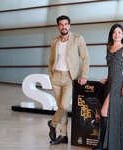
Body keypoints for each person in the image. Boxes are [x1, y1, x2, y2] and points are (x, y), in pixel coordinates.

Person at [48, 15, 90, 145]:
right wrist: (51, 74)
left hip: (69, 77)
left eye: (66, 24)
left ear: (69, 26)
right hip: (56, 77)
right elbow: (51, 60)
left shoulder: (78, 39)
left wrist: (84, 75)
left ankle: (52, 124)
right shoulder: (55, 41)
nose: (63, 27)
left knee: (64, 105)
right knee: (62, 108)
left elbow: (86, 58)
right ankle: (63, 135)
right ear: (58, 26)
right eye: (61, 24)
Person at [92, 23, 123, 150]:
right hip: (110, 83)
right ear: (111, 35)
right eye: (114, 32)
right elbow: (111, 67)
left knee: (104, 111)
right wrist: (107, 79)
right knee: (109, 113)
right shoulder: (108, 47)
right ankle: (106, 144)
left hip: (118, 83)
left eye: (119, 32)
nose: (117, 34)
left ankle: (100, 144)